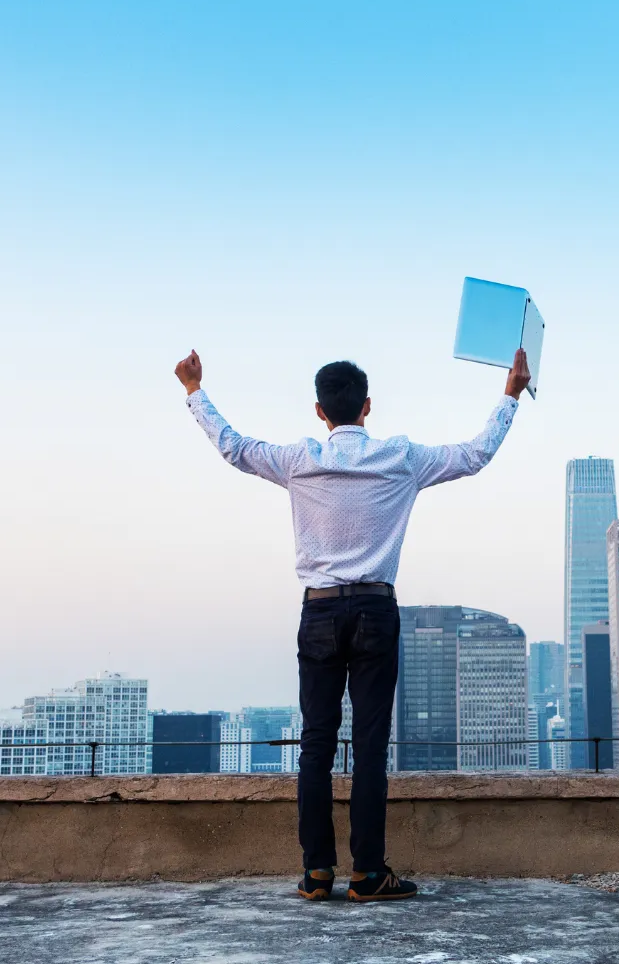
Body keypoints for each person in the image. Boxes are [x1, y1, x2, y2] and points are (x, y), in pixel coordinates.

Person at [174, 347, 531, 901]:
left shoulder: (298, 460)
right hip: (374, 609)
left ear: (320, 411)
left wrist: (194, 390)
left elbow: (234, 448)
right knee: (369, 745)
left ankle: (317, 872)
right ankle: (367, 873)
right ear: (368, 407)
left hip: (318, 609)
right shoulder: (401, 457)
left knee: (315, 744)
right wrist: (510, 394)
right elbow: (475, 453)